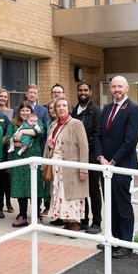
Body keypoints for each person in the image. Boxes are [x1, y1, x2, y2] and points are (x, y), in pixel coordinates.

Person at [95, 75, 138, 259]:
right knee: (110, 204)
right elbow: (99, 135)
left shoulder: (134, 110)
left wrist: (113, 161)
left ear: (127, 88)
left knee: (122, 205)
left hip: (121, 166)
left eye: (120, 87)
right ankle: (113, 239)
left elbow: (130, 141)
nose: (116, 89)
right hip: (105, 166)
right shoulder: (107, 108)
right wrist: (100, 157)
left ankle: (125, 244)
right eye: (114, 86)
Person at [44, 98, 89, 231]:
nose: (61, 108)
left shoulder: (76, 124)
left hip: (71, 168)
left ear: (68, 108)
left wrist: (83, 169)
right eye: (58, 106)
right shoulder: (53, 125)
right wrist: (44, 165)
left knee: (71, 196)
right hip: (56, 168)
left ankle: (74, 223)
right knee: (59, 195)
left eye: (64, 105)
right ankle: (66, 222)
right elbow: (48, 147)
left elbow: (84, 147)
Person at [6, 101, 46, 227]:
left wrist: (22, 133)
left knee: (35, 185)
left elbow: (39, 133)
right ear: (19, 112)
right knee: (20, 186)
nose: (25, 113)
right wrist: (18, 143)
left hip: (33, 158)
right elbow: (8, 139)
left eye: (27, 110)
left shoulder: (36, 121)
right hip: (18, 159)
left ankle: (36, 215)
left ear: (31, 112)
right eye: (22, 110)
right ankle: (22, 215)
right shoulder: (13, 123)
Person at [72, 81, 103, 234]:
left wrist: (85, 148)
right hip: (76, 158)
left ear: (90, 92)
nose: (82, 93)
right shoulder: (74, 111)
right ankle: (83, 220)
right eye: (80, 90)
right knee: (80, 191)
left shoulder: (96, 111)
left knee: (93, 190)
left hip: (90, 157)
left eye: (85, 90)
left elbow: (97, 134)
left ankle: (96, 222)